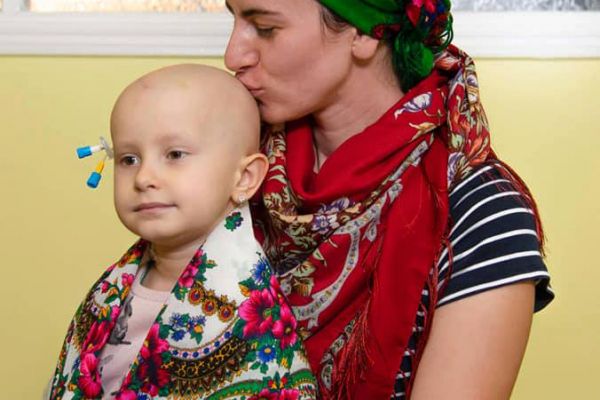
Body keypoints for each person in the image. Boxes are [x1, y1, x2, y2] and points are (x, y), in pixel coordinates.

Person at [224, 0, 554, 399]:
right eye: (234, 20)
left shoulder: (480, 212)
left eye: (265, 28)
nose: (232, 56)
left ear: (363, 34)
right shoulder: (229, 169)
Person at [47, 64, 317, 400]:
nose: (144, 177)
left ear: (245, 178)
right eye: (129, 159)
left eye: (175, 154)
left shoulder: (252, 317)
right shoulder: (110, 290)